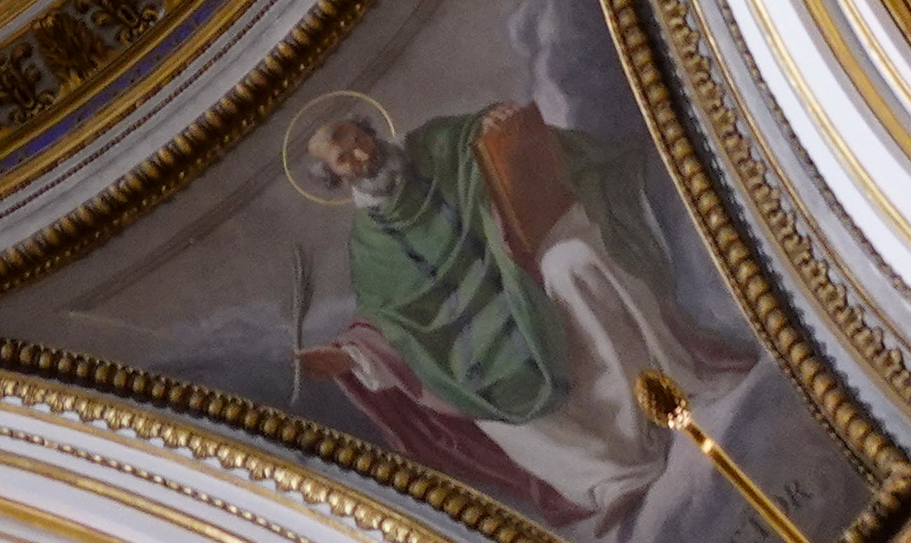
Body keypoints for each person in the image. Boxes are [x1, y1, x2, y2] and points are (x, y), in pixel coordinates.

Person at [293, 101, 753, 529]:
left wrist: (499, 123)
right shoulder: (369, 244)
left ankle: (668, 390)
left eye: (356, 138)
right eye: (343, 159)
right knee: (479, 401)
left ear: (368, 129)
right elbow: (388, 317)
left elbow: (491, 139)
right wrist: (349, 356)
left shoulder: (436, 144)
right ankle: (615, 477)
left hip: (524, 275)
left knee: (572, 261)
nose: (360, 155)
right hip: (481, 332)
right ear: (335, 177)